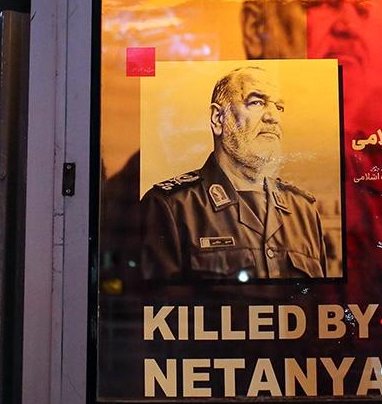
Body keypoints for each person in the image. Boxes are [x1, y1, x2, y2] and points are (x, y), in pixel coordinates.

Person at [139, 66, 335, 282]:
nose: (273, 117)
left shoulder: (304, 211)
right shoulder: (171, 206)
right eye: (256, 102)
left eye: (279, 107)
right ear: (218, 118)